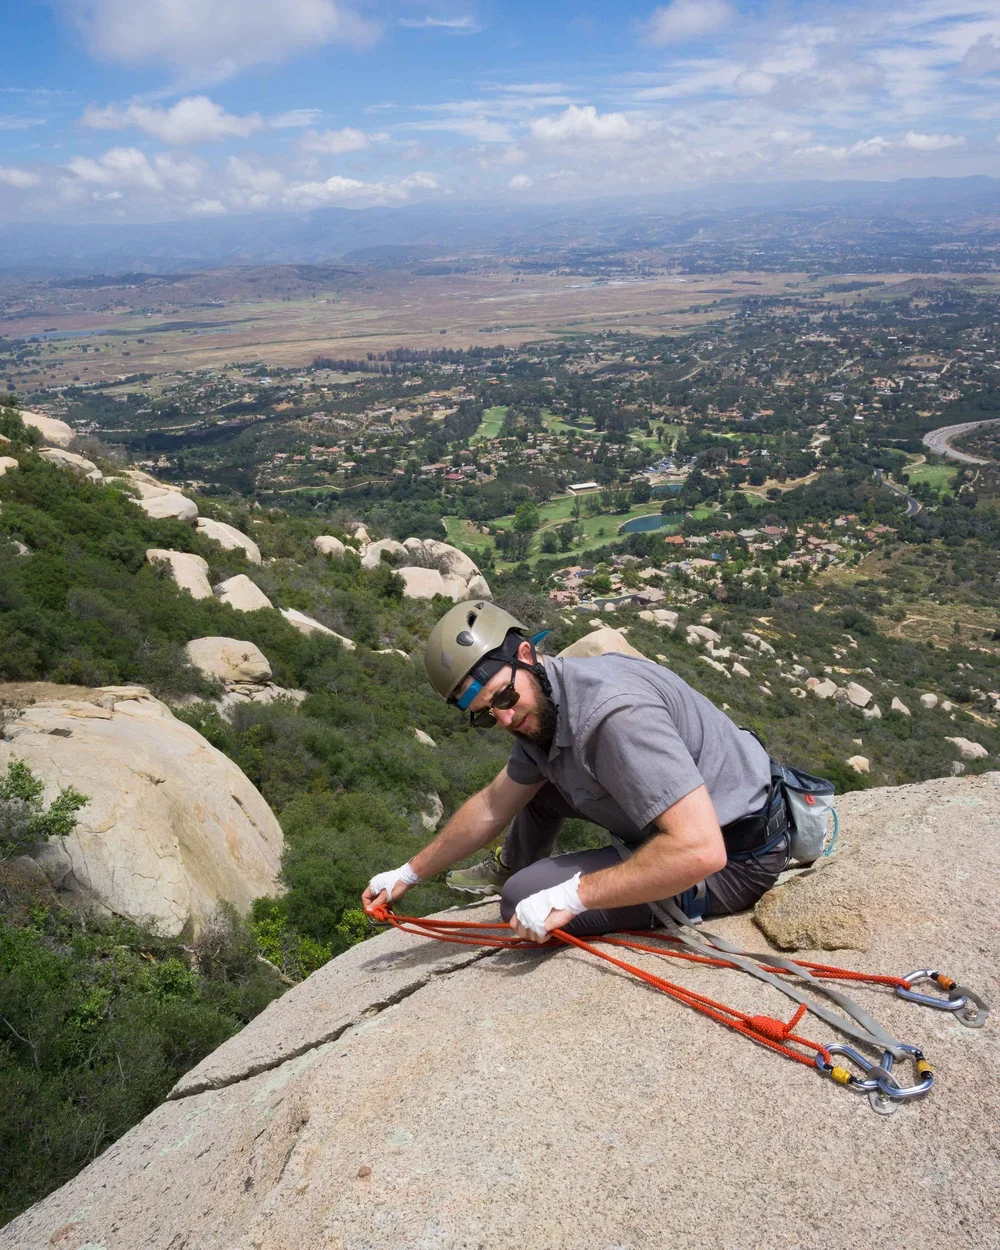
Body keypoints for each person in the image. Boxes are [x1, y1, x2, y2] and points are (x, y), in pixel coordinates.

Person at [363, 601, 789, 944]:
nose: (506, 718)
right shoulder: (551, 699)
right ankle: (515, 865)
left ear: (526, 655)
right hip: (711, 817)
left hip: (734, 859)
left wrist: (573, 896)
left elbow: (701, 851)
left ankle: (533, 882)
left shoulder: (613, 716)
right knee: (539, 790)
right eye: (486, 716)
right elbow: (495, 803)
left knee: (520, 901)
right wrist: (408, 873)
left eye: (505, 696)